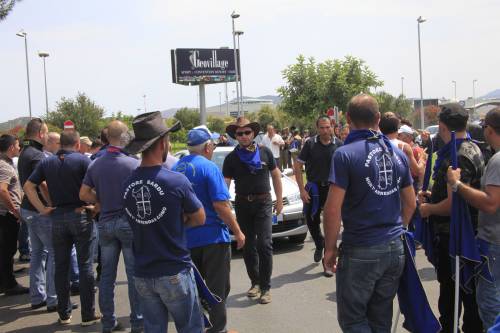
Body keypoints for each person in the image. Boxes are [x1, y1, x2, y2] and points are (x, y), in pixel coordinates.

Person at [322, 94, 416, 332]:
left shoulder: (345, 154)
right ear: (377, 118)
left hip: (362, 247)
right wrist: (397, 229)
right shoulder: (398, 153)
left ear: (348, 118)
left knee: (354, 320)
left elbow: (332, 209)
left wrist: (330, 248)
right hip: (394, 247)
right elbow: (411, 203)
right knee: (380, 318)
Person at [122, 112, 205, 333]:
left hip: (142, 272)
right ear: (162, 143)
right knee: (190, 328)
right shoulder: (175, 180)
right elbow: (200, 217)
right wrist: (178, 223)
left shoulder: (128, 183)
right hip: (174, 269)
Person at [173, 125, 245, 333]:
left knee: (193, 290)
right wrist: (238, 232)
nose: (213, 146)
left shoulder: (175, 168)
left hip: (186, 239)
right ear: (206, 147)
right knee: (218, 289)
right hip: (213, 238)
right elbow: (220, 205)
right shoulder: (209, 167)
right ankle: (218, 330)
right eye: (211, 143)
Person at [419, 103, 484, 333]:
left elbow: (452, 206)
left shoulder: (457, 156)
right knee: (461, 294)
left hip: (456, 236)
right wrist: (430, 195)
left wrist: (428, 209)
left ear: (443, 127)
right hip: (460, 233)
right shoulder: (473, 147)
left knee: (455, 295)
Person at [24, 130, 99, 326]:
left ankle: (64, 313)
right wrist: (96, 206)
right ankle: (88, 314)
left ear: (60, 145)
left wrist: (43, 208)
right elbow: (97, 186)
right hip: (80, 214)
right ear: (77, 144)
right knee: (85, 266)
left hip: (57, 217)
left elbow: (29, 186)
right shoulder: (83, 161)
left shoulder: (46, 162)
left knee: (60, 266)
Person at [79, 120, 143, 333]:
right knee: (134, 275)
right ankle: (137, 322)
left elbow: (83, 194)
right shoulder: (132, 164)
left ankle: (108, 322)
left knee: (107, 277)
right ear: (125, 138)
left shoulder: (95, 163)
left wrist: (101, 200)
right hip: (128, 222)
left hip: (105, 223)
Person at [446, 107, 500, 330]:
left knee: (490, 307)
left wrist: (457, 185)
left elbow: (490, 202)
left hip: (494, 245)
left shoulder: (497, 160)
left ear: (488, 129)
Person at [222, 117, 283, 304]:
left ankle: (266, 287)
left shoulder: (265, 153)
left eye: (247, 132)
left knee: (264, 244)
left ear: (254, 133)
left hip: (264, 202)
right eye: (239, 133)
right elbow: (225, 184)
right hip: (242, 204)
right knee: (247, 245)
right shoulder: (231, 158)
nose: (244, 136)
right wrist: (224, 206)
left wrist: (279, 200)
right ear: (235, 136)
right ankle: (255, 283)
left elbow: (276, 176)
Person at [293, 116, 342, 275]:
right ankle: (319, 243)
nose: (325, 130)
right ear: (317, 128)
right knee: (310, 218)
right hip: (313, 189)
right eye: (322, 127)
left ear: (332, 126)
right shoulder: (310, 144)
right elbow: (298, 165)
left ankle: (328, 260)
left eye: (327, 127)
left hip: (333, 190)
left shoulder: (339, 145)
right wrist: (302, 190)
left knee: (331, 223)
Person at [17, 118, 57, 309]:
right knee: (55, 253)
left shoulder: (25, 151)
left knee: (38, 254)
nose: (48, 135)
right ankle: (54, 298)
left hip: (28, 209)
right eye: (47, 132)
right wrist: (51, 204)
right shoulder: (37, 155)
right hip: (39, 211)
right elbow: (41, 184)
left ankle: (37, 296)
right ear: (41, 133)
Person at [0, 134, 29, 296]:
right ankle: (9, 284)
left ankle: (4, 281)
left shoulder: (7, 163)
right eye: (18, 145)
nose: (19, 148)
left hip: (6, 214)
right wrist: (14, 210)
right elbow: (2, 190)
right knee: (8, 249)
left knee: (6, 249)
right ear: (11, 147)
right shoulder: (4, 166)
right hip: (6, 215)